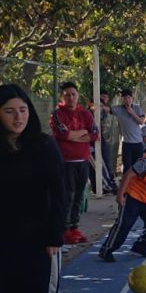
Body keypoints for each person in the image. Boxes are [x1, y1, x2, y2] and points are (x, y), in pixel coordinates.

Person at [0, 84, 68, 293]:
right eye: (10, 111)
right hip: (4, 248)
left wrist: (55, 236)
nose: (18, 117)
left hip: (41, 247)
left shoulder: (43, 145)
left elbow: (59, 192)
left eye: (23, 110)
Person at [97, 136, 146, 262]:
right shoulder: (145, 162)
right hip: (133, 196)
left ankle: (139, 247)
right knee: (124, 224)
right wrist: (120, 195)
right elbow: (128, 175)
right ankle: (106, 250)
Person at [50, 81, 98, 244]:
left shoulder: (85, 113)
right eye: (67, 94)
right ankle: (64, 229)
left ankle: (74, 227)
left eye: (73, 94)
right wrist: (81, 133)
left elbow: (94, 134)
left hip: (82, 161)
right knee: (67, 196)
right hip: (65, 162)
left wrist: (75, 135)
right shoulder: (57, 114)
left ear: (78, 96)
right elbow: (64, 135)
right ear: (61, 96)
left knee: (79, 195)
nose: (71, 97)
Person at [89, 90, 118, 195]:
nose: (100, 107)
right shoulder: (88, 114)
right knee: (99, 165)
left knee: (104, 162)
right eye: (98, 104)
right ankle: (109, 186)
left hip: (100, 140)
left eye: (106, 97)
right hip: (91, 143)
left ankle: (103, 186)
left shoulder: (103, 112)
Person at [110, 88, 146, 171]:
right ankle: (127, 183)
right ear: (122, 99)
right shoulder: (119, 109)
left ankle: (137, 183)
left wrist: (132, 112)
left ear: (132, 98)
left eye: (129, 98)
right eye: (125, 98)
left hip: (138, 142)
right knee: (127, 166)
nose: (127, 100)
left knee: (138, 166)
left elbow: (141, 121)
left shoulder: (137, 108)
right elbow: (108, 109)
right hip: (127, 143)